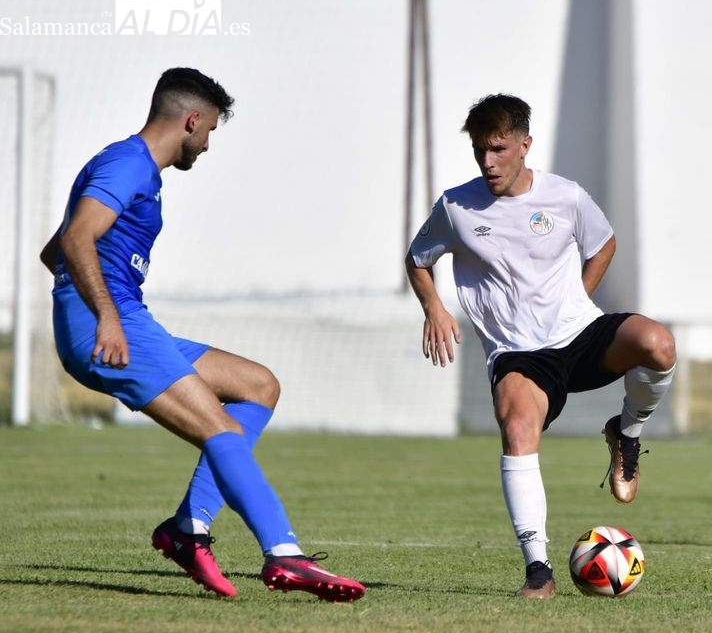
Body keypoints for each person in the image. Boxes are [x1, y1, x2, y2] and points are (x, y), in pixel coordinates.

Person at [39, 67, 365, 603]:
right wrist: (106, 316)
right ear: (191, 121)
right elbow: (76, 239)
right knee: (221, 430)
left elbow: (54, 252)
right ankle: (284, 553)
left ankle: (187, 527)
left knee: (258, 385)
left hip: (121, 317)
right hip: (109, 323)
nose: (208, 144)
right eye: (210, 130)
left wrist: (106, 302)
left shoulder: (135, 169)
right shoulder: (128, 163)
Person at [404, 94, 676, 599]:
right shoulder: (456, 207)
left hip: (579, 333)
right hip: (519, 354)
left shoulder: (565, 196)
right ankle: (539, 571)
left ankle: (626, 433)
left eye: (499, 149)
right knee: (517, 429)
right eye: (480, 151)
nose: (488, 162)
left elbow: (604, 243)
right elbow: (418, 259)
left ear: (525, 144)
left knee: (658, 344)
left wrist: (579, 298)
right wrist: (434, 308)